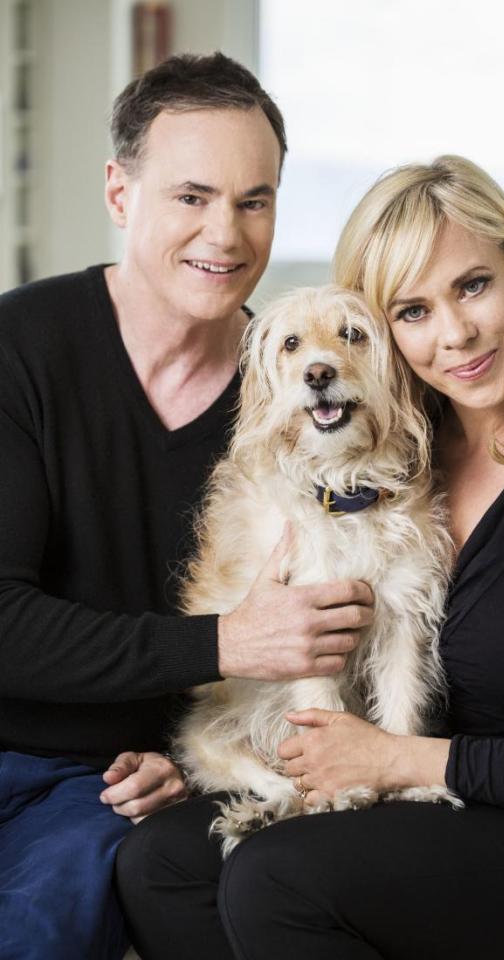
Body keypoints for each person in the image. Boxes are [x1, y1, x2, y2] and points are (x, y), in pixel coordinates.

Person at [120, 155, 504, 960]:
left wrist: (397, 759)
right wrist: (221, 749)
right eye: (412, 310)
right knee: (158, 864)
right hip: (426, 775)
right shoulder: (405, 443)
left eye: (473, 286)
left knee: (275, 878)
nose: (454, 334)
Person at [0, 52, 375, 960]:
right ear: (120, 193)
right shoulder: (20, 346)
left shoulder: (300, 401)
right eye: (192, 196)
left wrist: (193, 763)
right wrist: (225, 641)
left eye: (256, 199)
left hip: (106, 784)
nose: (228, 233)